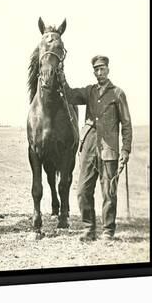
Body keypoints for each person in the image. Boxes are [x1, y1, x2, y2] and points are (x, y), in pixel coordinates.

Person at [59, 55, 132, 242]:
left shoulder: (117, 93)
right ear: (94, 72)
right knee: (83, 190)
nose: (100, 73)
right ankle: (88, 229)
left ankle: (108, 231)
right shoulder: (89, 91)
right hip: (89, 147)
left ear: (108, 70)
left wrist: (125, 150)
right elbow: (69, 94)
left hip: (109, 149)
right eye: (97, 70)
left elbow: (126, 124)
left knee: (109, 192)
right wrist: (61, 74)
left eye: (103, 69)